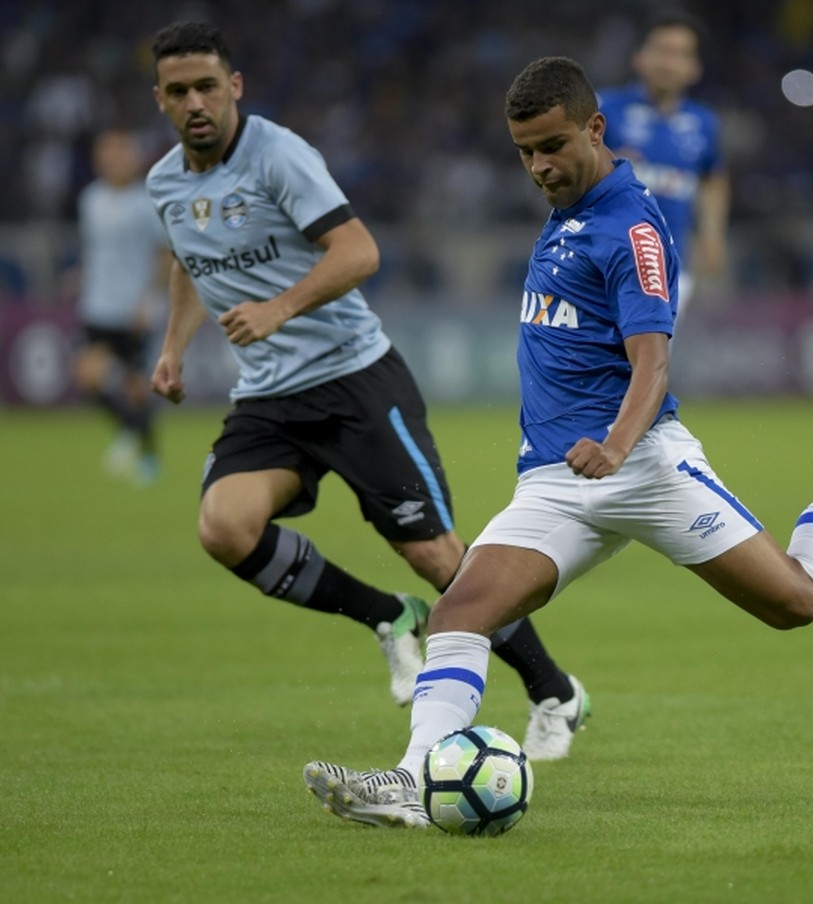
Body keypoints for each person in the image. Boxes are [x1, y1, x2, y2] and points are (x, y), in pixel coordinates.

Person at [302, 56, 813, 829]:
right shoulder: (569, 207)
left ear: (595, 128)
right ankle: (413, 784)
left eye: (552, 146)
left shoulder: (633, 228)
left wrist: (614, 445)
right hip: (554, 483)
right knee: (460, 612)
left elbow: (654, 360)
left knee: (797, 602)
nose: (539, 167)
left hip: (643, 466)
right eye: (525, 152)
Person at [144, 21, 588, 760]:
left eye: (208, 87)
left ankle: (554, 692)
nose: (196, 102)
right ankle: (388, 617)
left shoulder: (278, 155)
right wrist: (172, 347)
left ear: (235, 88)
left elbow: (359, 250)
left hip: (354, 381)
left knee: (444, 561)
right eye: (180, 90)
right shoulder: (165, 182)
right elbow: (190, 262)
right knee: (224, 529)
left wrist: (279, 307)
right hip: (268, 397)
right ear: (158, 98)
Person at [597, 7, 728, 324]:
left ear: (694, 68)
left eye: (681, 54)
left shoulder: (704, 124)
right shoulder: (604, 109)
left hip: (669, 270)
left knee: (648, 367)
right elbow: (564, 168)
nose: (669, 63)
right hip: (604, 261)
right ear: (640, 57)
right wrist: (603, 162)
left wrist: (711, 234)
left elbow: (712, 180)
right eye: (662, 51)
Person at [74, 127, 168, 485]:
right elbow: (95, 251)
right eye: (107, 152)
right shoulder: (90, 200)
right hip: (97, 305)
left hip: (133, 309)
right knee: (87, 375)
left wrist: (151, 300)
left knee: (135, 386)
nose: (113, 159)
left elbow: (164, 257)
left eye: (120, 152)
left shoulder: (148, 202)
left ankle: (149, 456)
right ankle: (130, 431)